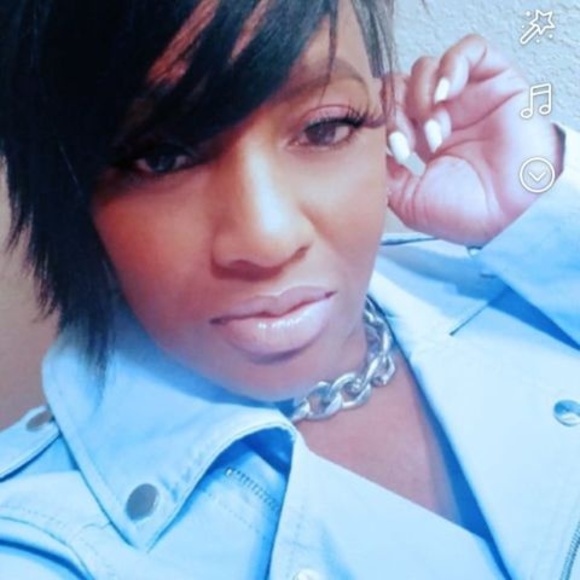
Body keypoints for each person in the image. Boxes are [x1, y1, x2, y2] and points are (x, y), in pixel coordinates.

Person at [0, 0, 578, 578]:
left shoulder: (517, 272)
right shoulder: (42, 542)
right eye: (162, 157)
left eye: (326, 127)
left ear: (384, 116)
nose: (268, 237)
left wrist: (542, 202)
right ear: (68, 193)